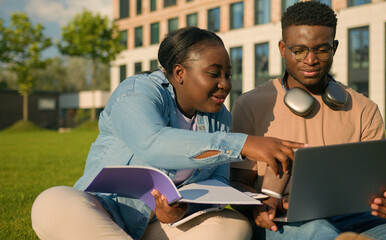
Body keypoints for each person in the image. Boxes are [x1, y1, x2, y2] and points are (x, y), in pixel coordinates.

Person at [31, 27, 305, 240]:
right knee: (52, 202)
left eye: (228, 74)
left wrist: (181, 210)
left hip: (160, 228)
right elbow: (153, 143)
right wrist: (244, 143)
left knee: (232, 227)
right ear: (179, 72)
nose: (225, 84)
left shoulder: (220, 116)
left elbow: (218, 185)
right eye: (214, 74)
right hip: (102, 213)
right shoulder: (138, 92)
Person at [229, 2, 386, 240]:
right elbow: (237, 183)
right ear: (282, 49)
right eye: (299, 50)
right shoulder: (250, 104)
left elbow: (378, 183)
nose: (311, 59)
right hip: (285, 219)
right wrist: (258, 208)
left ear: (334, 47)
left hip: (358, 217)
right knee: (317, 232)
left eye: (321, 49)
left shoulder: (365, 109)